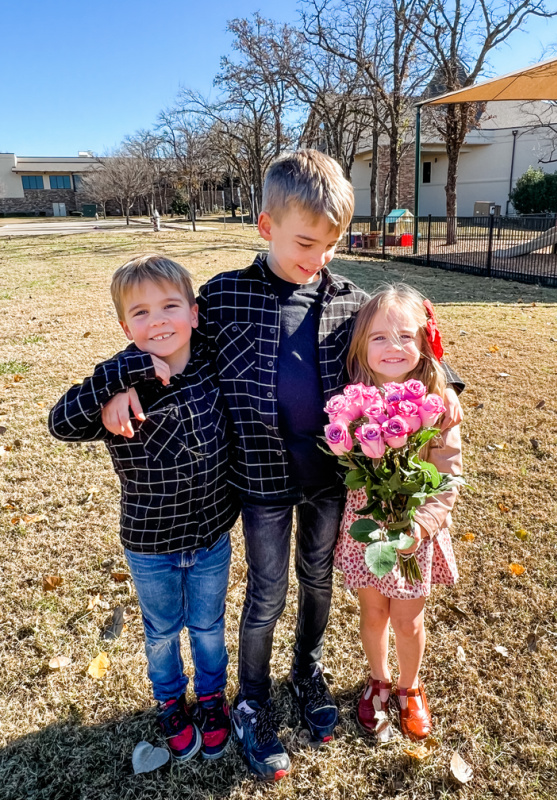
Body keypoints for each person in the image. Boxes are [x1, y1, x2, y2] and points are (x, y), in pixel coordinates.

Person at [100, 150, 465, 781]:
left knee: (318, 581)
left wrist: (450, 381)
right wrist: (120, 382)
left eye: (331, 244)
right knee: (267, 593)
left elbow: (408, 339)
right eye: (305, 242)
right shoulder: (222, 297)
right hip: (260, 482)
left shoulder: (351, 301)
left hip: (331, 479)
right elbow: (164, 341)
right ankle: (251, 697)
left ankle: (307, 673)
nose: (319, 256)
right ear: (266, 226)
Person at [48, 254, 238, 763]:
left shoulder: (213, 366)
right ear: (123, 324)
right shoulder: (117, 382)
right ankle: (170, 701)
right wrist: (119, 378)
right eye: (140, 313)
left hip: (212, 538)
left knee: (208, 627)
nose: (157, 321)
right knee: (161, 632)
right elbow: (59, 423)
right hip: (150, 546)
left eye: (170, 306)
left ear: (194, 313)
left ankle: (212, 699)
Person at [334, 285, 462, 742]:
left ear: (425, 344)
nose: (393, 348)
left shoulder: (439, 405)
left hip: (414, 531)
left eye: (406, 337)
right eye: (379, 338)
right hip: (366, 527)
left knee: (408, 619)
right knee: (373, 612)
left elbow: (447, 475)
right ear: (361, 348)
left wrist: (421, 527)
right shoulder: (352, 400)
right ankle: (379, 681)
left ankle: (409, 688)